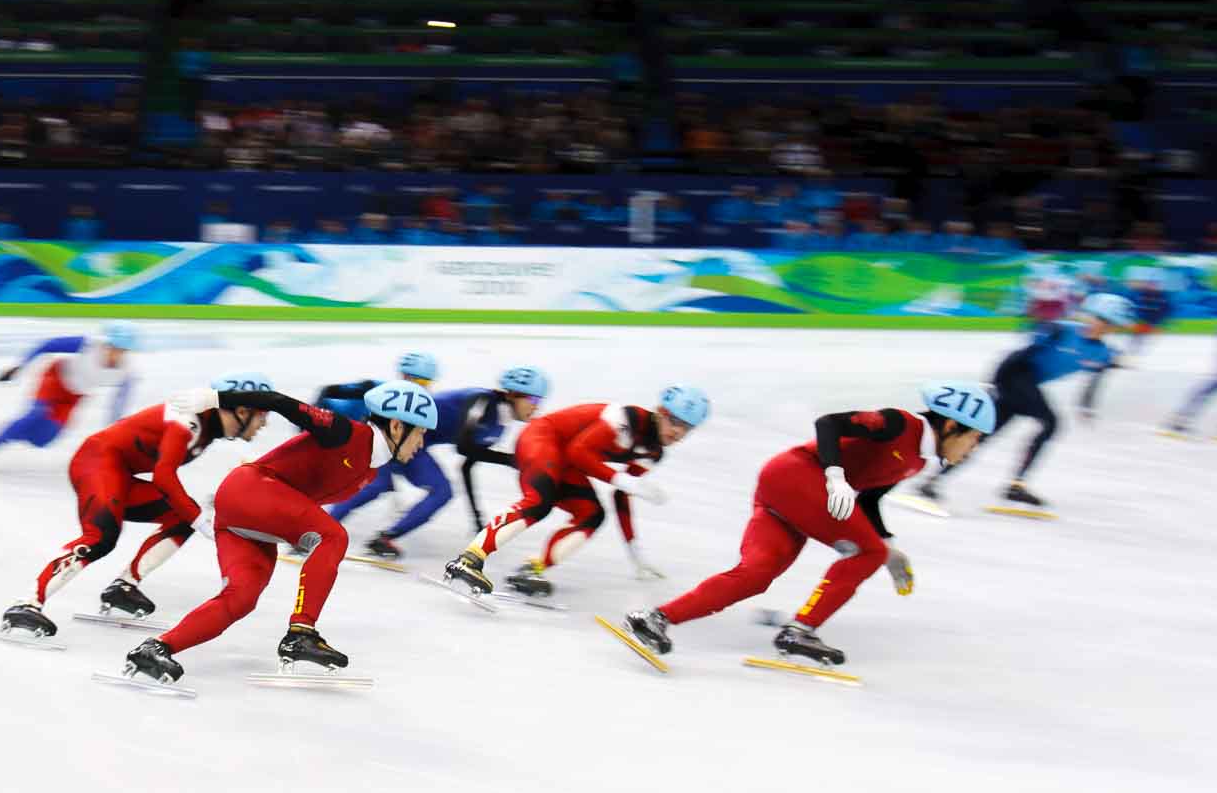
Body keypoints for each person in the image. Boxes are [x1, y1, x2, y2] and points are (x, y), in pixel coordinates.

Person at [623, 382, 993, 667]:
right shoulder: (900, 423)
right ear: (950, 425)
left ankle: (655, 619)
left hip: (786, 490)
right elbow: (829, 423)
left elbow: (870, 499)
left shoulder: (918, 459)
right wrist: (835, 476)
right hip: (800, 477)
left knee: (756, 574)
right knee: (868, 552)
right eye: (975, 439)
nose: (974, 450)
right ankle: (800, 631)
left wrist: (889, 545)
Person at [120, 381, 440, 685]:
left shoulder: (371, 468)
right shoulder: (346, 432)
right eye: (420, 433)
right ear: (397, 426)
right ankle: (302, 633)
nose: (421, 444)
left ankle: (156, 649)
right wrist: (215, 399)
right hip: (251, 491)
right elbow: (278, 402)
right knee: (334, 536)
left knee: (241, 599)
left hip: (252, 514)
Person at [0, 372, 279, 639]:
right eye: (263, 415)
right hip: (96, 463)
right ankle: (27, 603)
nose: (264, 424)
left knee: (180, 517)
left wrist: (195, 517)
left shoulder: (206, 426)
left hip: (118, 472)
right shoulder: (187, 422)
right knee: (102, 537)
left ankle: (124, 586)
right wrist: (202, 521)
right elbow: (164, 477)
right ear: (242, 411)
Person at [442, 385, 711, 596]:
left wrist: (634, 547)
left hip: (567, 460)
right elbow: (579, 451)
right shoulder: (627, 418)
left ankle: (533, 568)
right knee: (540, 501)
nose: (678, 432)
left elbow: (621, 495)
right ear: (661, 411)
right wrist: (622, 479)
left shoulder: (653, 452)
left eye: (687, 428)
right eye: (675, 421)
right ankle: (469, 559)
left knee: (592, 514)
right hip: (542, 439)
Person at [917, 293, 1134, 509]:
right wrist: (993, 383)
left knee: (984, 435)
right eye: (1099, 319)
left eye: (1110, 325)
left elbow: (1095, 381)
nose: (1102, 327)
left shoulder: (1103, 353)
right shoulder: (1060, 330)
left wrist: (1086, 406)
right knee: (1050, 423)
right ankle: (1009, 486)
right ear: (1088, 316)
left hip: (1027, 386)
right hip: (1015, 377)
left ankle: (937, 482)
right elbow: (1016, 357)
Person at [330, 366, 549, 559]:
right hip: (393, 432)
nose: (536, 407)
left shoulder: (499, 426)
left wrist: (476, 517)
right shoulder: (481, 401)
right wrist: (511, 460)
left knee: (442, 492)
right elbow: (464, 446)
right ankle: (320, 528)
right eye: (534, 400)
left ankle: (384, 539)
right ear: (513, 393)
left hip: (415, 443)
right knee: (378, 484)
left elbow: (467, 465)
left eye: (540, 402)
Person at [0, 323, 138, 471]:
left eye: (122, 350)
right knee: (36, 414)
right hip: (55, 379)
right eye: (113, 347)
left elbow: (117, 407)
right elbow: (47, 345)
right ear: (105, 344)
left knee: (42, 440)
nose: (116, 354)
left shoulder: (125, 374)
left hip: (74, 397)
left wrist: (113, 431)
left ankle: (11, 431)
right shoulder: (87, 345)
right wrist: (20, 366)